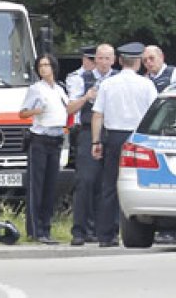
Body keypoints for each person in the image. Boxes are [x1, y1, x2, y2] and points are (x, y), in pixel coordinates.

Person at [91, 42, 157, 247]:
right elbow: (153, 114)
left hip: (113, 137)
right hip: (137, 139)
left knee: (109, 186)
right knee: (138, 183)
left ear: (119, 61)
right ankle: (138, 229)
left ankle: (105, 235)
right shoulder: (146, 85)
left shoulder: (108, 84)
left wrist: (96, 141)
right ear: (138, 62)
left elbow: (97, 115)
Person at [66, 44, 118, 246]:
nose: (104, 62)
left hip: (111, 131)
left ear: (114, 60)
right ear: (95, 59)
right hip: (88, 131)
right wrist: (86, 97)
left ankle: (106, 230)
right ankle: (79, 230)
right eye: (100, 58)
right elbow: (70, 109)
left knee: (109, 183)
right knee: (85, 181)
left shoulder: (119, 80)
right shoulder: (82, 78)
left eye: (108, 58)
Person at [20, 54, 75, 244]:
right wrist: (35, 111)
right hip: (40, 140)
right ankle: (35, 230)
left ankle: (46, 227)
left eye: (47, 65)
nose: (43, 69)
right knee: (37, 186)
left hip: (56, 139)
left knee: (50, 186)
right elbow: (22, 113)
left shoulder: (59, 89)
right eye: (40, 66)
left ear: (54, 67)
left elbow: (67, 110)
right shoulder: (36, 89)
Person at [142, 44, 176, 244]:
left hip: (173, 134)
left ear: (162, 57)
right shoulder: (144, 80)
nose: (148, 63)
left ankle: (171, 230)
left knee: (172, 182)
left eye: (151, 58)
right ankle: (160, 228)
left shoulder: (175, 75)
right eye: (145, 60)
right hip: (154, 135)